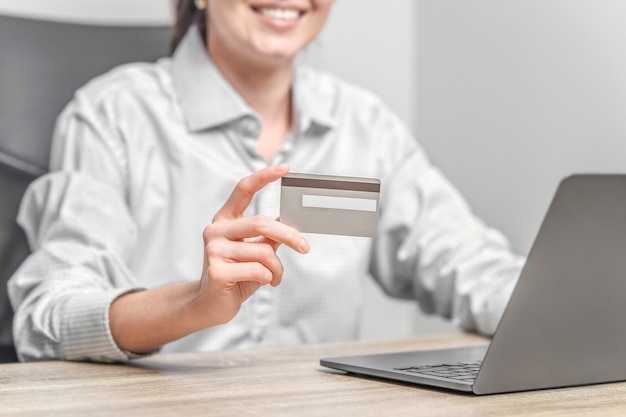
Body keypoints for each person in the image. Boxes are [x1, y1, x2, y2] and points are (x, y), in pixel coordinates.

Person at [8, 0, 524, 362]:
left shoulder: (366, 126)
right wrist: (192, 304)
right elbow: (48, 315)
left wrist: (575, 308)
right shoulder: (111, 116)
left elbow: (470, 266)